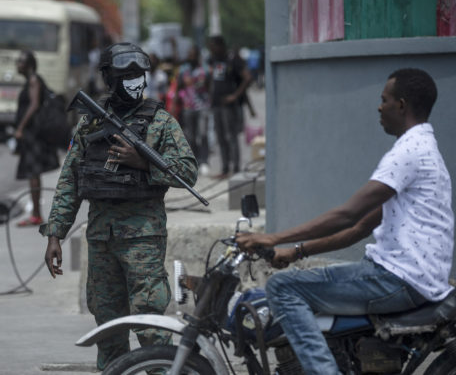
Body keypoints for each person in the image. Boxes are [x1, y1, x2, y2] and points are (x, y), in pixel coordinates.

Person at [236, 68, 453, 375]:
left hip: (398, 278)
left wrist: (271, 238)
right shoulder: (425, 149)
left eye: (384, 100)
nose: (379, 107)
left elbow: (347, 214)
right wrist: (295, 252)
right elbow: (358, 228)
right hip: (412, 276)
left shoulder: (408, 153)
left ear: (401, 105)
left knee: (283, 287)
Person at [42, 42, 198, 371]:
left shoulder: (161, 122)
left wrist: (142, 162)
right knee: (108, 325)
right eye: (126, 76)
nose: (135, 82)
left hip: (142, 237)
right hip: (101, 239)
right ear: (110, 79)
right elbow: (70, 179)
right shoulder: (89, 125)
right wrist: (55, 233)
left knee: (151, 323)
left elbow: (187, 172)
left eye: (139, 75)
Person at [14, 49, 59, 227]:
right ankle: (36, 214)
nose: (18, 64)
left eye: (21, 61)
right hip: (32, 134)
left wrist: (20, 127)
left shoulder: (33, 80)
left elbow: (33, 105)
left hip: (34, 134)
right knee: (33, 172)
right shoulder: (31, 81)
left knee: (33, 172)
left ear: (30, 65)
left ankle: (36, 215)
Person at [207, 35, 254, 178]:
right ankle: (225, 168)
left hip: (229, 106)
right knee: (220, 137)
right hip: (216, 104)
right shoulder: (214, 60)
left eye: (213, 47)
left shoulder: (233, 59)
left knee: (231, 137)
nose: (211, 50)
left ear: (220, 46)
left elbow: (248, 77)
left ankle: (236, 168)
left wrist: (235, 95)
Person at [178, 45, 210, 174]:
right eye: (189, 54)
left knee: (202, 134)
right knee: (190, 136)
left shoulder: (205, 69)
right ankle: (194, 161)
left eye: (192, 54)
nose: (190, 57)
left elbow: (209, 85)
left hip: (203, 106)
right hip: (188, 106)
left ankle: (204, 161)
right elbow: (178, 86)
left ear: (197, 56)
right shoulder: (183, 69)